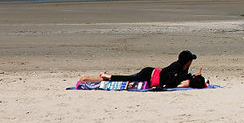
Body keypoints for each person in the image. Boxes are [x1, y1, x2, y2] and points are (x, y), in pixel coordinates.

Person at [79, 50, 208, 89]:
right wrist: (188, 78)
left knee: (130, 78)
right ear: (188, 62)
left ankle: (99, 77)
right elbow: (167, 78)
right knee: (129, 78)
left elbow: (179, 78)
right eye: (191, 61)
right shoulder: (176, 67)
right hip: (149, 74)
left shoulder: (182, 70)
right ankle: (108, 76)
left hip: (152, 75)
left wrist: (192, 76)